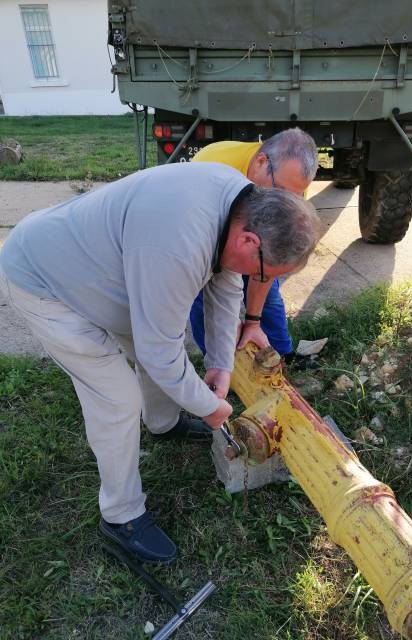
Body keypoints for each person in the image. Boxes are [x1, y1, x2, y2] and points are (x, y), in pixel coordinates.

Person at [0, 162, 320, 564]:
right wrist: (213, 409)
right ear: (250, 241)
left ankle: (164, 424)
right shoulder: (178, 245)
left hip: (108, 268)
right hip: (46, 281)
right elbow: (160, 354)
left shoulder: (241, 204)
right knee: (117, 399)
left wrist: (221, 363)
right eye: (265, 274)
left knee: (158, 341)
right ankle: (120, 516)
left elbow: (224, 284)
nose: (260, 281)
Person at [190, 127, 318, 361]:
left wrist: (252, 321)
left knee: (268, 292)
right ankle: (220, 366)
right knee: (204, 296)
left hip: (246, 229)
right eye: (280, 190)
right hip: (207, 229)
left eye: (295, 196)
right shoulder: (213, 166)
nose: (285, 200)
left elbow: (272, 260)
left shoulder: (292, 185)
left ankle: (281, 356)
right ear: (261, 162)